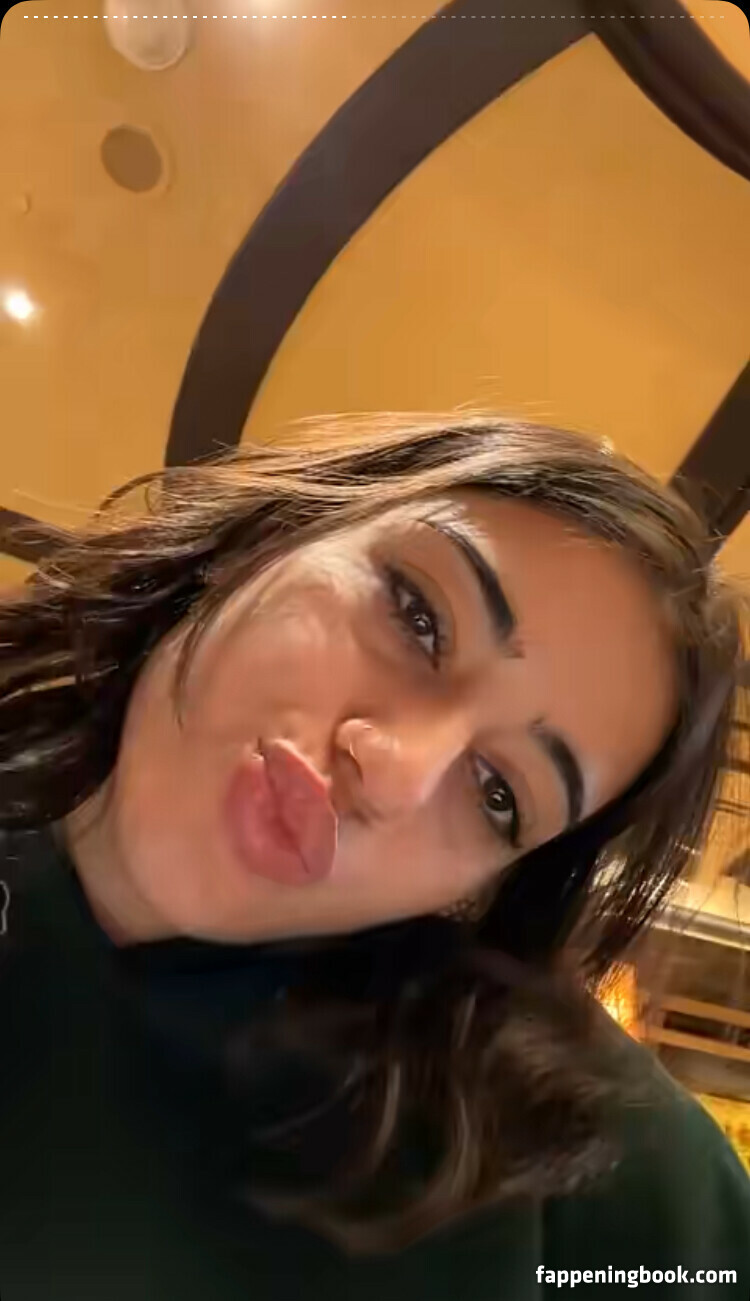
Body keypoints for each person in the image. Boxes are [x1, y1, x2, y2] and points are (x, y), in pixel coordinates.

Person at [0, 414, 747, 1299]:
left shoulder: (558, 1168)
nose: (394, 772)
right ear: (279, 532)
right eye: (420, 619)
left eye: (498, 794)